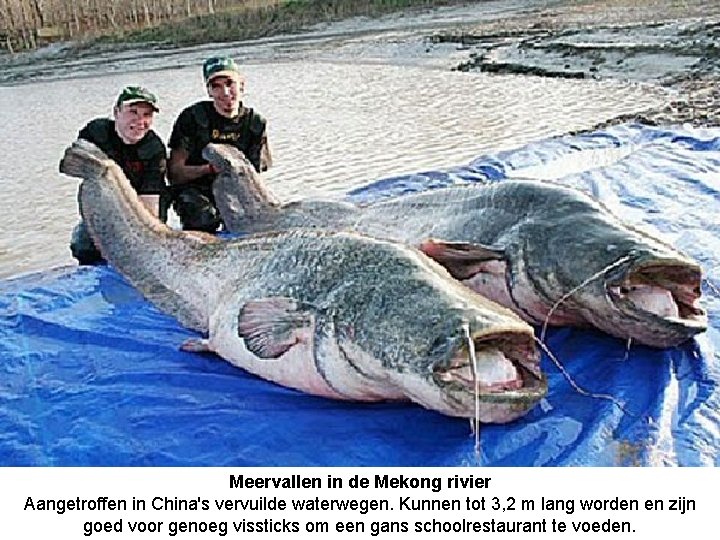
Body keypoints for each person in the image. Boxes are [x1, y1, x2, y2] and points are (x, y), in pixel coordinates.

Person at [167, 56, 271, 233]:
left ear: (241, 85)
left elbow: (255, 176)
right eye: (216, 86)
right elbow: (174, 174)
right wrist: (209, 169)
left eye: (230, 83)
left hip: (236, 187)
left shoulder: (255, 123)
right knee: (203, 219)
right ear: (208, 91)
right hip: (195, 189)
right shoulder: (192, 118)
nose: (224, 92)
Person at [68, 86, 167, 265]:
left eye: (147, 115)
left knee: (143, 246)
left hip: (141, 204)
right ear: (116, 112)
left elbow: (150, 203)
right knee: (83, 245)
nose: (140, 121)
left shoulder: (154, 148)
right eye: (133, 112)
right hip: (105, 202)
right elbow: (72, 163)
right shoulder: (96, 132)